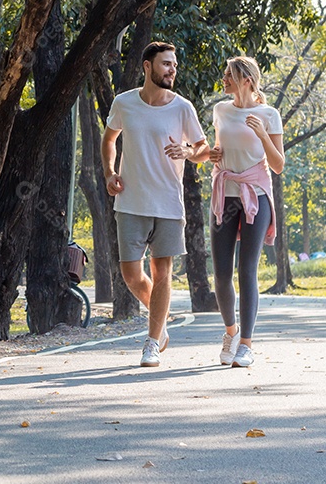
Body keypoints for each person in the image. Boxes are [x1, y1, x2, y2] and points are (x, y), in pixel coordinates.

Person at [101, 42, 208, 368]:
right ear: (147, 67)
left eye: (173, 65)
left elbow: (204, 148)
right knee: (131, 274)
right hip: (130, 201)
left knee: (162, 273)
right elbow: (109, 139)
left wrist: (188, 152)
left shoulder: (182, 108)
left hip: (168, 204)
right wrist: (109, 172)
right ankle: (160, 323)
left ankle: (152, 341)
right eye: (165, 64)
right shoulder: (125, 103)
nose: (171, 70)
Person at [198, 56, 284, 368]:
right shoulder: (221, 110)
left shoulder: (268, 114)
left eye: (229, 75)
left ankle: (246, 344)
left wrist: (262, 134)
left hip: (255, 195)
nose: (224, 80)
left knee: (247, 270)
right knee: (221, 273)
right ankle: (231, 332)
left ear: (246, 79)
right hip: (225, 194)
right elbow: (216, 149)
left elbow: (278, 165)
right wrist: (212, 154)